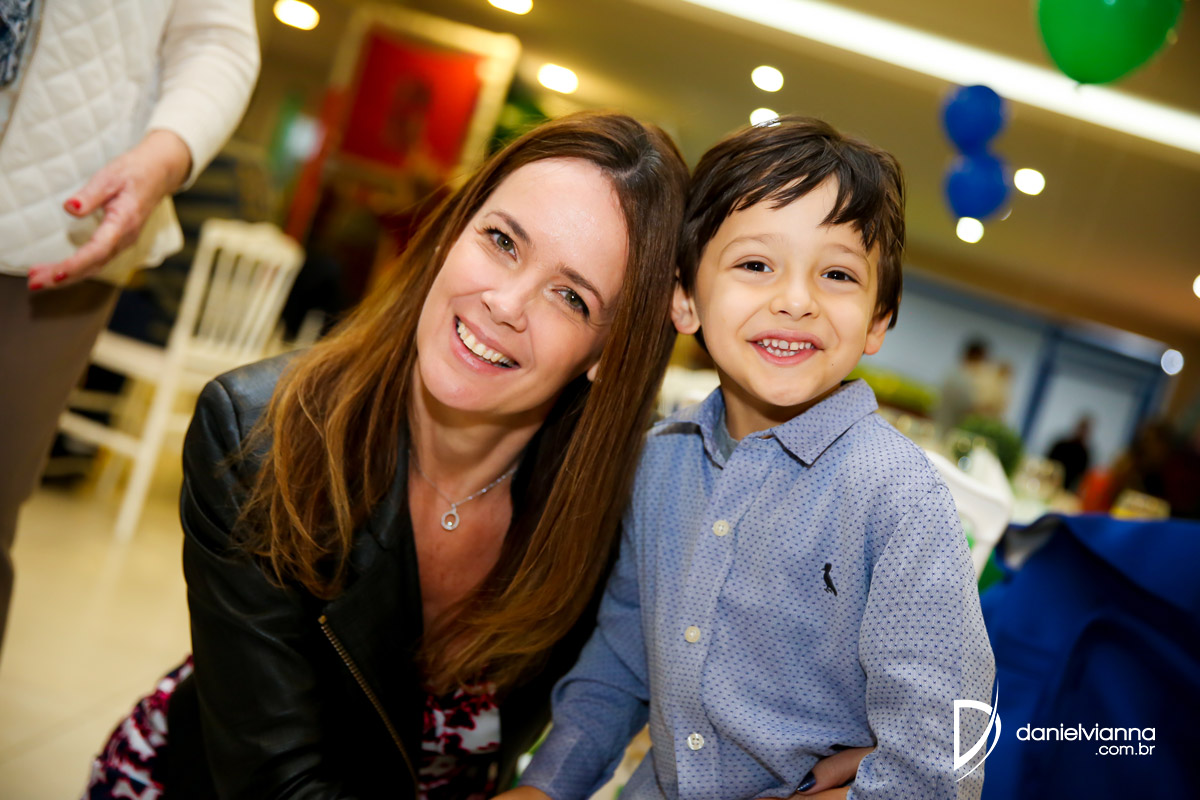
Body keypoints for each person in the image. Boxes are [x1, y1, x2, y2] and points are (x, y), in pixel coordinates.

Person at [84, 111, 691, 799]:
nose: (505, 302)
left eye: (571, 297)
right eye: (501, 241)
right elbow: (274, 781)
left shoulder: (621, 508)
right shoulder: (258, 437)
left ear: (610, 354)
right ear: (453, 232)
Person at [505, 117, 996, 800]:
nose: (795, 301)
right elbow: (619, 665)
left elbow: (941, 757)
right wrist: (545, 788)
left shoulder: (898, 500)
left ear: (879, 319)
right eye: (756, 265)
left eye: (836, 274)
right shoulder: (658, 466)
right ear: (685, 299)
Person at [0, 0, 259, 653]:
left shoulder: (185, 146)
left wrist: (163, 157)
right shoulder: (244, 191)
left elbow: (219, 41)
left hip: (54, 230)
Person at [1047, 415, 1093, 492]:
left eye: (1085, 430)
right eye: (1081, 428)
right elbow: (1048, 462)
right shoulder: (1060, 445)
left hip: (1067, 489)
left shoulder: (1084, 453)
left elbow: (1082, 476)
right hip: (1049, 483)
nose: (1082, 432)